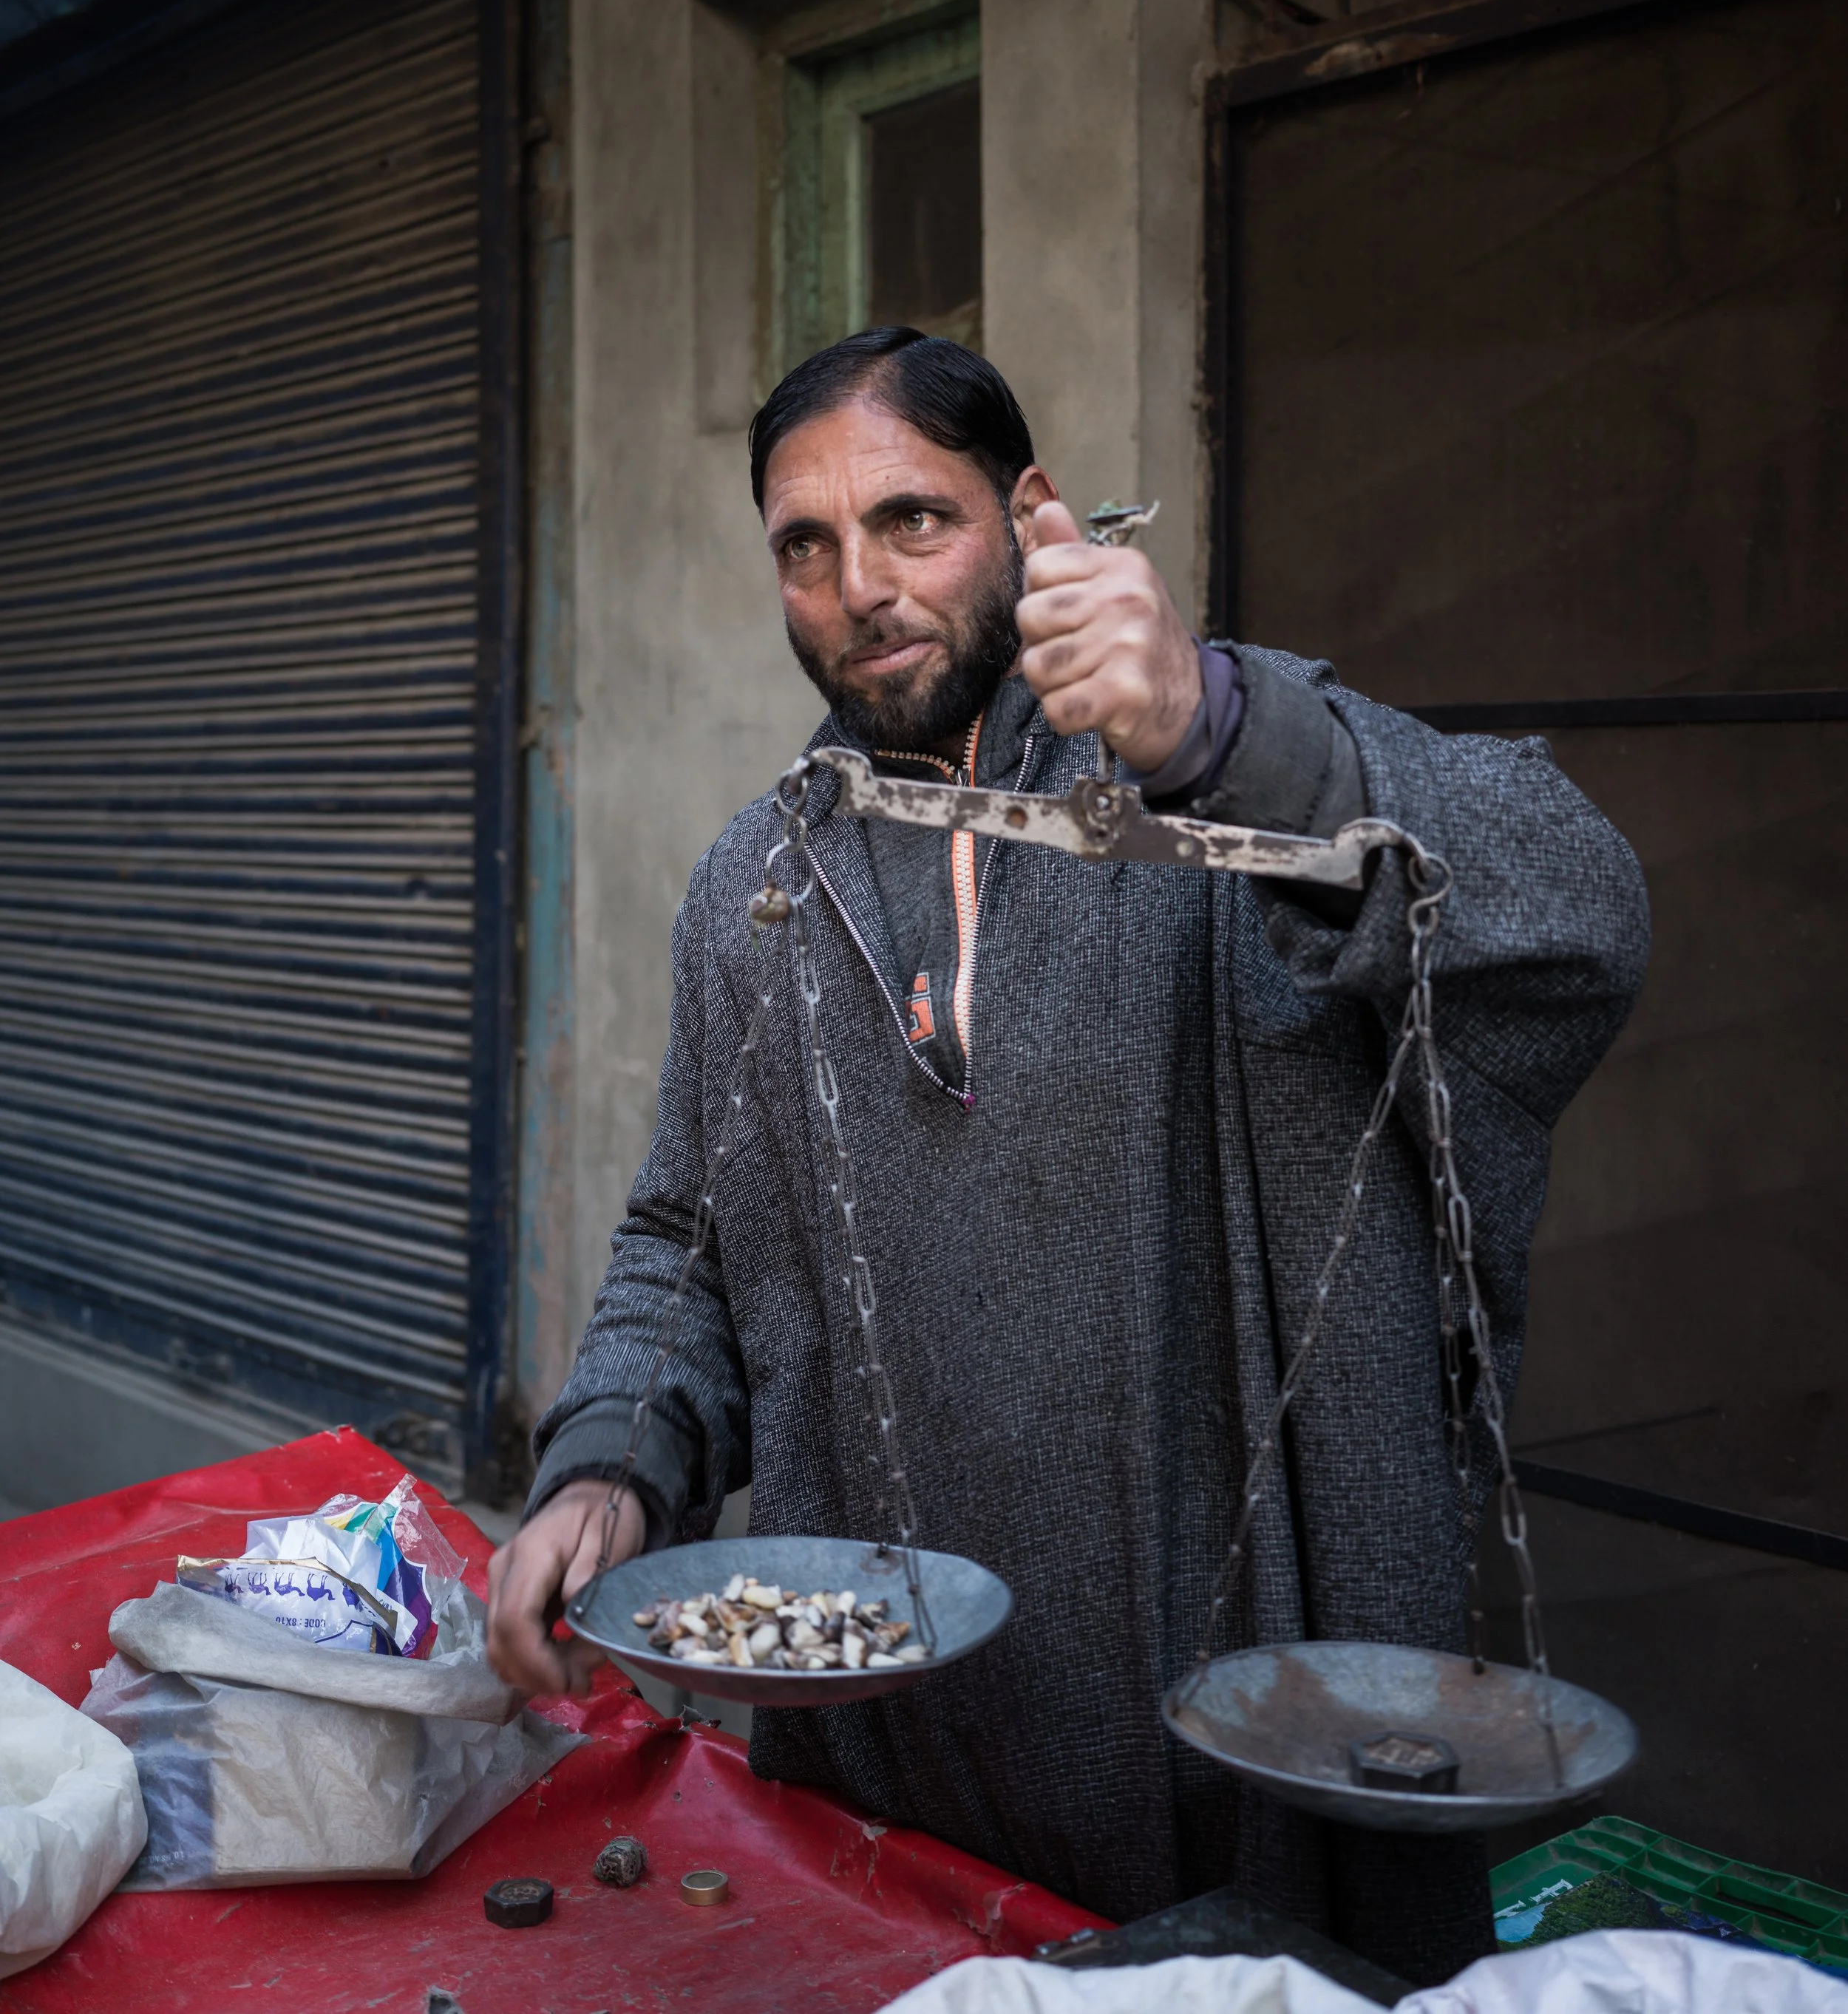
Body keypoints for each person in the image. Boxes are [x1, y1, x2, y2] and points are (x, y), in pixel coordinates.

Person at [486, 327, 1649, 1983]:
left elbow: (1582, 908)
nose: (858, 586)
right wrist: (609, 1461)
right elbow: (687, 1240)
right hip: (893, 1749)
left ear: (1028, 517)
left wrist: (1216, 726)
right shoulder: (758, 884)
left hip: (1235, 1737)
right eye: (802, 546)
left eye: (911, 520)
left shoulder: (1214, 770)